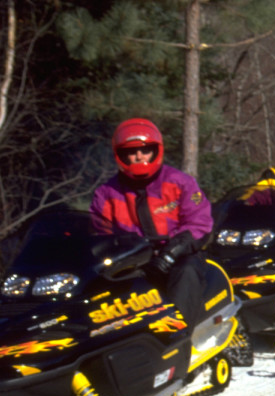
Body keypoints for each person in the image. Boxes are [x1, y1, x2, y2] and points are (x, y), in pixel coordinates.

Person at [90, 118, 213, 325]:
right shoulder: (106, 194)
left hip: (179, 255)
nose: (139, 156)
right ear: (120, 155)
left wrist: (173, 252)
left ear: (156, 151)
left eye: (145, 150)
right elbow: (99, 235)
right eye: (132, 151)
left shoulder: (179, 182)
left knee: (186, 272)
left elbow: (200, 223)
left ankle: (181, 339)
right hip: (133, 260)